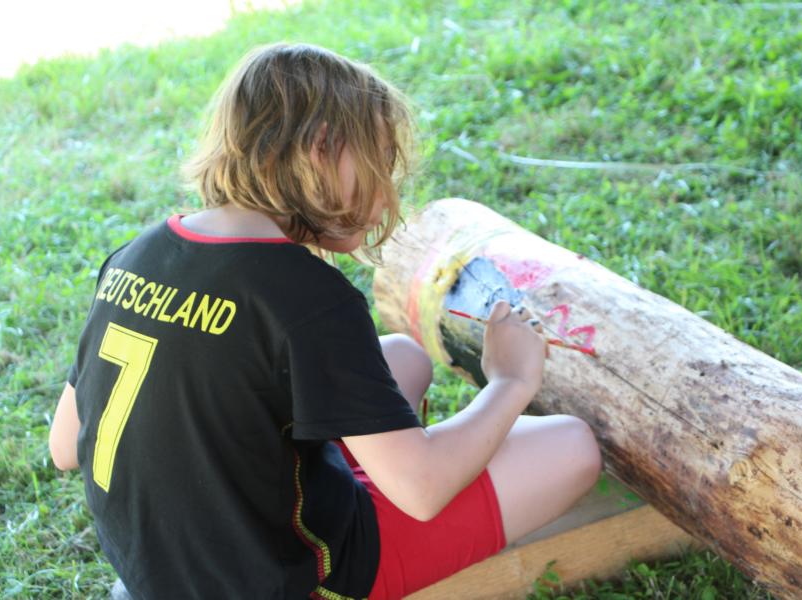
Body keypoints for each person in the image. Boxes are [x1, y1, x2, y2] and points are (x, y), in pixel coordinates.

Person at [48, 42, 602, 600]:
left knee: (404, 358)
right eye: (378, 162)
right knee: (571, 447)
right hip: (291, 579)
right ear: (321, 150)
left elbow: (65, 446)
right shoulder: (308, 298)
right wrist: (510, 380)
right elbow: (423, 489)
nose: (386, 194)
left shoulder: (136, 255)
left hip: (159, 572)